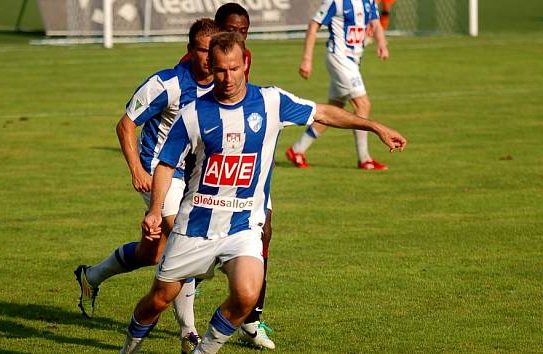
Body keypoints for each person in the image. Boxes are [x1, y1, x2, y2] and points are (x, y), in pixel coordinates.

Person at [119, 31, 406, 354]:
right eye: (220, 70)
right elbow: (166, 165)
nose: (228, 77)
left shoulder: (271, 102)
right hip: (195, 226)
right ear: (210, 68)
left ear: (245, 64)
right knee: (157, 300)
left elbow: (324, 112)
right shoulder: (192, 114)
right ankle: (128, 349)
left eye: (234, 68)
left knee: (247, 293)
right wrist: (156, 210)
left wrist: (375, 126)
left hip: (243, 226)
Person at [74, 18, 219, 353]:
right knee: (186, 242)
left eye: (212, 50)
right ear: (189, 50)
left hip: (191, 176)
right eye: (201, 50)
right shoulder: (166, 84)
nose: (208, 58)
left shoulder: (219, 86)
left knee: (152, 251)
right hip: (157, 172)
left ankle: (91, 277)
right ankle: (189, 333)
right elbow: (125, 125)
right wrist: (137, 170)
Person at [182, 3, 275, 349]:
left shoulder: (242, 55)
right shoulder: (195, 61)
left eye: (245, 30)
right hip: (207, 173)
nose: (239, 34)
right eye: (232, 28)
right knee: (196, 252)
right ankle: (187, 320)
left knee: (264, 232)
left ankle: (252, 320)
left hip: (248, 167)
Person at [287, 0, 390, 170]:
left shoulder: (369, 1)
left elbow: (376, 24)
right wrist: (307, 59)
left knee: (333, 109)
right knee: (363, 104)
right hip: (339, 58)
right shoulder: (336, 2)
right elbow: (314, 25)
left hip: (354, 61)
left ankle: (297, 150)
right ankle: (365, 159)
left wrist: (382, 44)